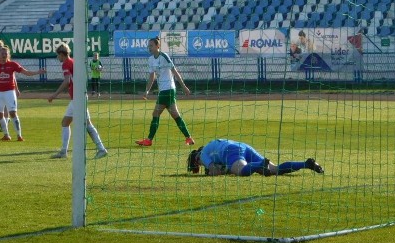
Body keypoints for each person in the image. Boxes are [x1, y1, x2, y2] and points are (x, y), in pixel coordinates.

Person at [47, 42, 107, 160]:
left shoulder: (66, 64)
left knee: (87, 125)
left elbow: (67, 81)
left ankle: (101, 149)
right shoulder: (73, 62)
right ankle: (63, 152)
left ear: (61, 54)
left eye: (58, 55)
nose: (57, 58)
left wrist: (54, 94)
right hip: (78, 97)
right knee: (65, 122)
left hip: (78, 98)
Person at [135, 37, 194, 147]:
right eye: (149, 46)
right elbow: (151, 77)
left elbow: (174, 72)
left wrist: (184, 87)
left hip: (168, 89)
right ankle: (189, 138)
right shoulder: (151, 59)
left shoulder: (164, 56)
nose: (149, 48)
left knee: (156, 113)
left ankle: (149, 140)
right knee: (175, 115)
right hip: (164, 90)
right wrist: (147, 91)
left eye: (151, 45)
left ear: (158, 46)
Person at [187, 139, 324, 177]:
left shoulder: (203, 155)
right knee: (275, 169)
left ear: (196, 159)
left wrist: (224, 170)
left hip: (230, 152)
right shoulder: (211, 145)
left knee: (241, 171)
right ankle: (307, 164)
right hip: (243, 146)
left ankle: (259, 165)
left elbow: (215, 171)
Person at [0, 46, 45, 141]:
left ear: (8, 55)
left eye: (5, 53)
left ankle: (19, 135)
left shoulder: (12, 64)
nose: (4, 55)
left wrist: (38, 72)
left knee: (12, 113)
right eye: (2, 53)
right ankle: (6, 135)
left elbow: (25, 72)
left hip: (9, 92)